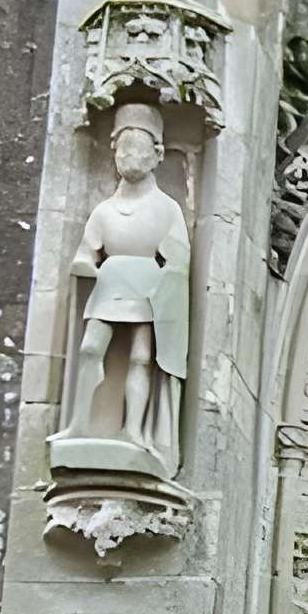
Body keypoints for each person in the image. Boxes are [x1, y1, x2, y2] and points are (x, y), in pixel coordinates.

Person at [60, 100, 191, 476]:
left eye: (139, 147)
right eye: (123, 147)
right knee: (89, 349)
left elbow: (178, 259)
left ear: (158, 154)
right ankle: (79, 423)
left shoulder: (167, 209)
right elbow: (86, 253)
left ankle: (133, 429)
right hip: (110, 283)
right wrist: (87, 266)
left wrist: (165, 284)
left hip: (148, 289)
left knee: (140, 357)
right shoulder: (104, 211)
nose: (130, 155)